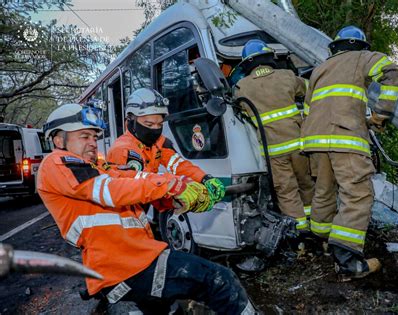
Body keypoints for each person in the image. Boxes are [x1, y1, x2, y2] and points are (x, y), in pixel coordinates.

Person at [37, 103, 257, 314]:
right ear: (58, 139)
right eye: (84, 136)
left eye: (94, 137)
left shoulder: (97, 166)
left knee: (168, 309)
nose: (93, 143)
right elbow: (113, 190)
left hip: (134, 258)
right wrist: (172, 185)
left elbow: (132, 177)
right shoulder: (56, 163)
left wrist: (177, 196)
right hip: (126, 265)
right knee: (219, 280)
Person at [301, 25, 398, 281]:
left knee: (324, 191)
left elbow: (306, 110)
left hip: (314, 141)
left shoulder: (319, 70)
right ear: (360, 45)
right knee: (357, 194)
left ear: (336, 47)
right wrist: (381, 114)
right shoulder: (363, 58)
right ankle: (347, 261)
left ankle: (324, 242)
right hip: (345, 138)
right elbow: (392, 74)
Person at [234, 39, 315, 232]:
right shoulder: (287, 76)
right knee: (307, 184)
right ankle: (316, 224)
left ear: (247, 63)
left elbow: (239, 112)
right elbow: (311, 89)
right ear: (269, 57)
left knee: (287, 192)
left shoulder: (241, 87)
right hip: (300, 147)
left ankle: (299, 232)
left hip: (274, 152)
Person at [107, 88, 225, 219]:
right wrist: (176, 186)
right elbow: (140, 184)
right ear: (130, 119)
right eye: (149, 124)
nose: (155, 129)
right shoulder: (123, 150)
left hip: (140, 214)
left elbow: (178, 165)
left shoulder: (158, 143)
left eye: (159, 124)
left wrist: (204, 178)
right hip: (122, 215)